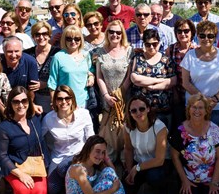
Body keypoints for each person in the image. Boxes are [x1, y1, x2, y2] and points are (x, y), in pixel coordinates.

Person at [65, 136, 156, 194]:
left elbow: (113, 174)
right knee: (107, 184)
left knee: (108, 171)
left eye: (103, 152)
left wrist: (107, 159)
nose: (100, 156)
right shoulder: (78, 169)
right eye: (97, 151)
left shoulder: (94, 163)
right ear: (88, 150)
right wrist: (112, 189)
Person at [170, 94, 219, 194]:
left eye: (201, 108)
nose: (197, 111)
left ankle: (204, 193)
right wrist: (184, 180)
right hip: (189, 177)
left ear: (206, 111)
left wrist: (214, 182)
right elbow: (174, 157)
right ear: (188, 109)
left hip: (210, 178)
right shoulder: (180, 131)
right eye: (194, 107)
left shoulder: (214, 130)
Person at [0, 87, 49, 194]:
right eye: (16, 102)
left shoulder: (35, 119)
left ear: (29, 102)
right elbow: (2, 156)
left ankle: (29, 192)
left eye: (24, 101)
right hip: (15, 166)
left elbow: (42, 143)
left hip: (34, 164)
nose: (20, 105)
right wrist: (21, 175)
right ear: (10, 104)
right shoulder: (4, 127)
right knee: (23, 190)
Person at [180, 21, 219, 126]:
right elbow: (185, 83)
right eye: (202, 35)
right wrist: (204, 101)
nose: (206, 39)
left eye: (210, 36)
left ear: (215, 37)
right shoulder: (189, 56)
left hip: (216, 106)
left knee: (214, 139)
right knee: (194, 138)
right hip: (194, 106)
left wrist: (215, 99)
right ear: (197, 36)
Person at [44, 85, 94, 194]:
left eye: (67, 98)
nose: (64, 101)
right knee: (52, 190)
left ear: (72, 100)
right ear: (55, 101)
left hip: (79, 155)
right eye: (60, 99)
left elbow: (91, 139)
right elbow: (39, 137)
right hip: (58, 156)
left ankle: (73, 183)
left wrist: (89, 160)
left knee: (63, 168)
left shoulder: (83, 114)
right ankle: (71, 182)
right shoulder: (48, 118)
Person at [95, 20, 132, 161]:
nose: (114, 35)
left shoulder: (129, 51)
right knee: (108, 139)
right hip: (108, 104)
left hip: (124, 102)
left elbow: (130, 76)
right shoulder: (100, 52)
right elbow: (99, 77)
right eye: (111, 32)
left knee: (125, 138)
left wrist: (120, 95)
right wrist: (106, 96)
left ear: (122, 34)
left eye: (118, 32)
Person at [122, 96, 168, 194]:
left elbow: (159, 160)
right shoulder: (128, 126)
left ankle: (162, 190)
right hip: (138, 163)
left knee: (154, 176)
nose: (138, 113)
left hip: (158, 164)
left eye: (141, 109)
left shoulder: (159, 127)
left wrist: (136, 168)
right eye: (134, 110)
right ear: (130, 113)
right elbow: (128, 149)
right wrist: (129, 171)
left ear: (148, 109)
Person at [130, 29, 176, 126]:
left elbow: (172, 81)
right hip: (142, 112)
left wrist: (153, 87)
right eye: (148, 44)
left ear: (159, 43)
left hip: (163, 109)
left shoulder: (166, 60)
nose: (151, 47)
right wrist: (160, 80)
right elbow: (135, 79)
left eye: (154, 44)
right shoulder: (138, 58)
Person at [48, 26, 94, 109]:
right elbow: (52, 82)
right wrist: (54, 101)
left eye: (77, 39)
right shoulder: (58, 57)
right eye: (69, 39)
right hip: (64, 103)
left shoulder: (86, 55)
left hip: (83, 102)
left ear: (81, 39)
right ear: (64, 40)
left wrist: (91, 76)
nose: (73, 41)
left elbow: (90, 71)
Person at [166, 19, 197, 127]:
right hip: (177, 94)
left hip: (194, 94)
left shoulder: (197, 50)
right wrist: (174, 92)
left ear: (192, 32)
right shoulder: (170, 49)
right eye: (179, 31)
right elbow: (169, 73)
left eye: (186, 31)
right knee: (180, 126)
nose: (183, 34)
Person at [26, 21, 59, 112]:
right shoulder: (27, 54)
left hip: (52, 97)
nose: (41, 37)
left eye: (44, 34)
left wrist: (45, 84)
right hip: (32, 99)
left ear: (49, 35)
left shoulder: (58, 53)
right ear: (33, 36)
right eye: (37, 34)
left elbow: (63, 76)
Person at [0, 37, 40, 105]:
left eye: (16, 51)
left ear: (22, 50)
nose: (13, 55)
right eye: (9, 51)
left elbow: (32, 90)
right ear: (4, 51)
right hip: (2, 102)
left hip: (23, 102)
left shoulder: (30, 62)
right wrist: (4, 111)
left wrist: (28, 106)